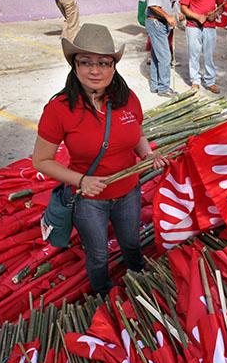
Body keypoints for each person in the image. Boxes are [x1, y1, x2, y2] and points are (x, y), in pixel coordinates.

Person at [32, 24, 165, 295]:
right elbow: (41, 161)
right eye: (86, 62)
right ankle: (104, 294)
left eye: (103, 63)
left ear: (113, 66)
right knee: (98, 255)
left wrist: (148, 154)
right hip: (89, 199)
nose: (95, 70)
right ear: (74, 65)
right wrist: (82, 180)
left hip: (128, 191)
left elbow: (136, 133)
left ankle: (139, 279)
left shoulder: (127, 98)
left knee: (130, 243)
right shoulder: (59, 108)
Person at [180, 0, 223, 93]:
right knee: (194, 54)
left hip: (210, 26)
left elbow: (221, 6)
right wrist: (197, 16)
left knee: (209, 55)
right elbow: (183, 7)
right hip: (193, 25)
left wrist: (215, 14)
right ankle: (195, 81)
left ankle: (210, 81)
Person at [145, 0, 180, 96]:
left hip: (159, 22)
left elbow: (167, 1)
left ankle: (155, 85)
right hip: (156, 22)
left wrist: (175, 13)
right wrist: (168, 17)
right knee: (165, 57)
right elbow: (153, 5)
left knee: (156, 56)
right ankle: (164, 88)